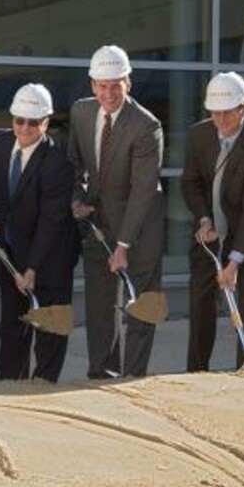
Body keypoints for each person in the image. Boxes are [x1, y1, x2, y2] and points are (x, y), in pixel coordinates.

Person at [68, 44, 164, 379]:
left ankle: (134, 379)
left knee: (141, 304)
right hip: (99, 222)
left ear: (129, 82)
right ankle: (102, 376)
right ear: (92, 85)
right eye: (102, 85)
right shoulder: (81, 112)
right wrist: (77, 198)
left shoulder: (146, 126)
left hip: (140, 224)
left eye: (116, 84)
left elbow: (142, 191)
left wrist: (123, 245)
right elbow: (75, 164)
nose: (109, 93)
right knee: (100, 306)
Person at [0, 83, 79, 382]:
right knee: (12, 328)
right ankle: (10, 387)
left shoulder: (56, 164)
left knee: (49, 329)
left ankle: (43, 390)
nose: (25, 128)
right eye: (19, 120)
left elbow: (50, 222)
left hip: (50, 259)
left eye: (33, 122)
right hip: (11, 253)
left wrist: (33, 268)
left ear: (46, 122)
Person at [180, 72, 244, 373]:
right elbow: (190, 183)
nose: (219, 120)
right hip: (210, 233)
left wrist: (234, 262)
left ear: (242, 108)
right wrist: (204, 219)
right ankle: (196, 374)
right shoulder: (198, 135)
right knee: (200, 303)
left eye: (226, 113)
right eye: (214, 112)